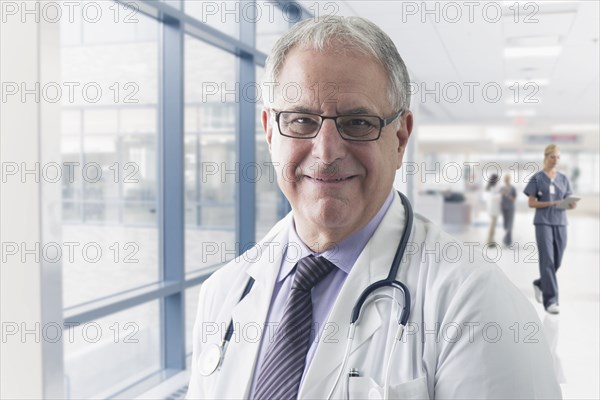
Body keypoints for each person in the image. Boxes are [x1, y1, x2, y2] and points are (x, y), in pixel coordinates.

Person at [187, 17, 561, 399]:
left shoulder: (476, 304)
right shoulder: (223, 292)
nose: (327, 151)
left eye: (358, 122)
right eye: (301, 120)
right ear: (270, 132)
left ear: (400, 139)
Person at [524, 144, 576, 315]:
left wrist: (571, 204)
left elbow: (568, 198)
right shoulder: (537, 178)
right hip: (543, 222)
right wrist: (550, 203)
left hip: (561, 222)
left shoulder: (563, 178)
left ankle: (540, 283)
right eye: (553, 157)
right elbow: (531, 202)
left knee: (557, 261)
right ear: (545, 157)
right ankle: (551, 301)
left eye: (558, 157)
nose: (556, 160)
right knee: (547, 260)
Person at [485, 173, 501, 246]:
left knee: (493, 226)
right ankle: (489, 241)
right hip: (492, 209)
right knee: (491, 226)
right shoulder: (491, 188)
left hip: (494, 209)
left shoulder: (493, 187)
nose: (498, 181)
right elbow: (493, 198)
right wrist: (500, 195)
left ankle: (492, 241)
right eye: (497, 179)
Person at [501, 174, 517, 246]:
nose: (506, 180)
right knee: (505, 225)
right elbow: (499, 198)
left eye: (507, 179)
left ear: (509, 179)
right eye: (505, 179)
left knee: (510, 224)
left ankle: (505, 239)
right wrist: (502, 193)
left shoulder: (512, 188)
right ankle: (509, 240)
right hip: (503, 208)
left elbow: (514, 199)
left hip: (510, 208)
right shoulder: (502, 188)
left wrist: (508, 195)